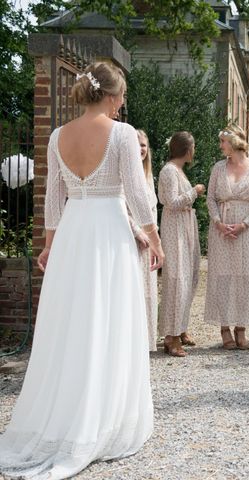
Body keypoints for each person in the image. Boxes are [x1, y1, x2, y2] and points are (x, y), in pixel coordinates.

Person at [0, 62, 164, 479]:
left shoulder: (58, 136)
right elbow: (136, 192)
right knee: (109, 320)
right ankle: (105, 419)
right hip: (108, 232)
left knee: (72, 321)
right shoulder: (123, 133)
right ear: (110, 96)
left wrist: (50, 243)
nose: (123, 102)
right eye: (122, 94)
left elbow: (53, 196)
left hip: (74, 232)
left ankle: (68, 414)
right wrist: (154, 237)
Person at [205, 124, 249, 350]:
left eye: (223, 141)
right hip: (221, 229)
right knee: (222, 276)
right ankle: (224, 327)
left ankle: (241, 327)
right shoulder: (218, 168)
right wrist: (218, 222)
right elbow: (211, 198)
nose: (220, 145)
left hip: (246, 230)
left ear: (234, 143)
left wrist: (244, 224)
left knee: (244, 276)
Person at [157, 131, 204, 357]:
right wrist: (193, 192)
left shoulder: (178, 171)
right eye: (192, 147)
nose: (194, 152)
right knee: (177, 280)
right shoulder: (168, 171)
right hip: (175, 228)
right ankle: (171, 336)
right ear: (187, 150)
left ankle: (180, 327)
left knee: (190, 277)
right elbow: (171, 202)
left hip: (185, 227)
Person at [129, 129, 160, 352]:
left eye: (144, 145)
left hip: (149, 241)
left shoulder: (148, 175)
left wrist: (154, 237)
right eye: (137, 144)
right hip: (131, 238)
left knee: (148, 291)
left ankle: (147, 342)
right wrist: (137, 232)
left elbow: (153, 211)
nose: (141, 149)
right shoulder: (126, 173)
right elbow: (121, 206)